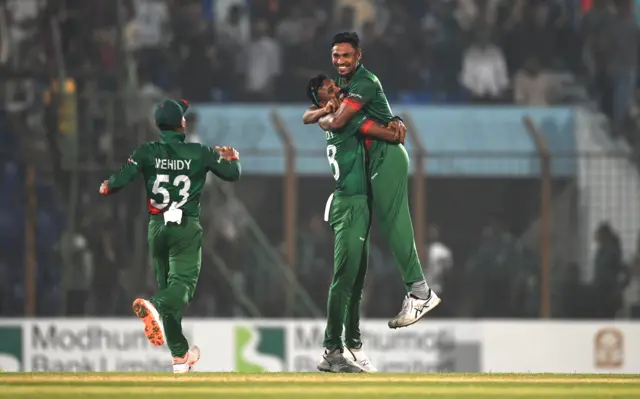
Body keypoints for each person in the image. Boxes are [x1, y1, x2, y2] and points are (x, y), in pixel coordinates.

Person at [303, 32, 440, 329]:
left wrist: (327, 115)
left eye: (346, 56)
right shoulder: (342, 87)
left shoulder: (364, 81)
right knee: (391, 224)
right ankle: (418, 291)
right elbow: (312, 116)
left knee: (395, 222)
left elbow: (339, 121)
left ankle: (420, 292)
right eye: (336, 56)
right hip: (377, 157)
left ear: (359, 56)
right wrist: (325, 112)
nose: (340, 61)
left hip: (386, 156)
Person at [98, 99, 241, 373]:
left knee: (170, 288)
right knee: (182, 289)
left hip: (157, 227)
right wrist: (233, 156)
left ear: (157, 125)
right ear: (182, 124)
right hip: (185, 226)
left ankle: (180, 356)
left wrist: (106, 186)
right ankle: (153, 305)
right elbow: (232, 175)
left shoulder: (145, 152)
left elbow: (119, 180)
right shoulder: (199, 152)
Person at [306, 74, 404, 373]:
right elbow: (391, 136)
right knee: (343, 279)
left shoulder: (336, 117)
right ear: (320, 97)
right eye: (328, 87)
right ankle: (332, 350)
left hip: (357, 203)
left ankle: (354, 345)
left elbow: (312, 117)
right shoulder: (344, 121)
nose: (335, 87)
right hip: (349, 203)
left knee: (357, 279)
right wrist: (394, 127)